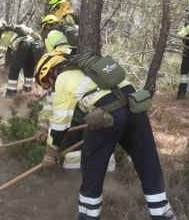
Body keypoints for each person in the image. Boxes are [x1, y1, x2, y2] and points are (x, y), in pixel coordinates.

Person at [35, 48, 173, 219]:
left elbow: (59, 125)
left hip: (107, 117)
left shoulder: (63, 78)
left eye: (47, 83)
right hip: (135, 108)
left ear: (49, 74)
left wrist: (50, 153)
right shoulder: (91, 68)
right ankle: (162, 214)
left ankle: (88, 217)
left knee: (92, 172)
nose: (51, 87)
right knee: (148, 164)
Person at [0, 19, 40, 97]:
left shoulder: (6, 36)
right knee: (29, 69)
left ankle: (10, 93)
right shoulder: (18, 30)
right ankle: (27, 90)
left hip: (22, 48)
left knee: (14, 70)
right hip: (32, 49)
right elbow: (37, 37)